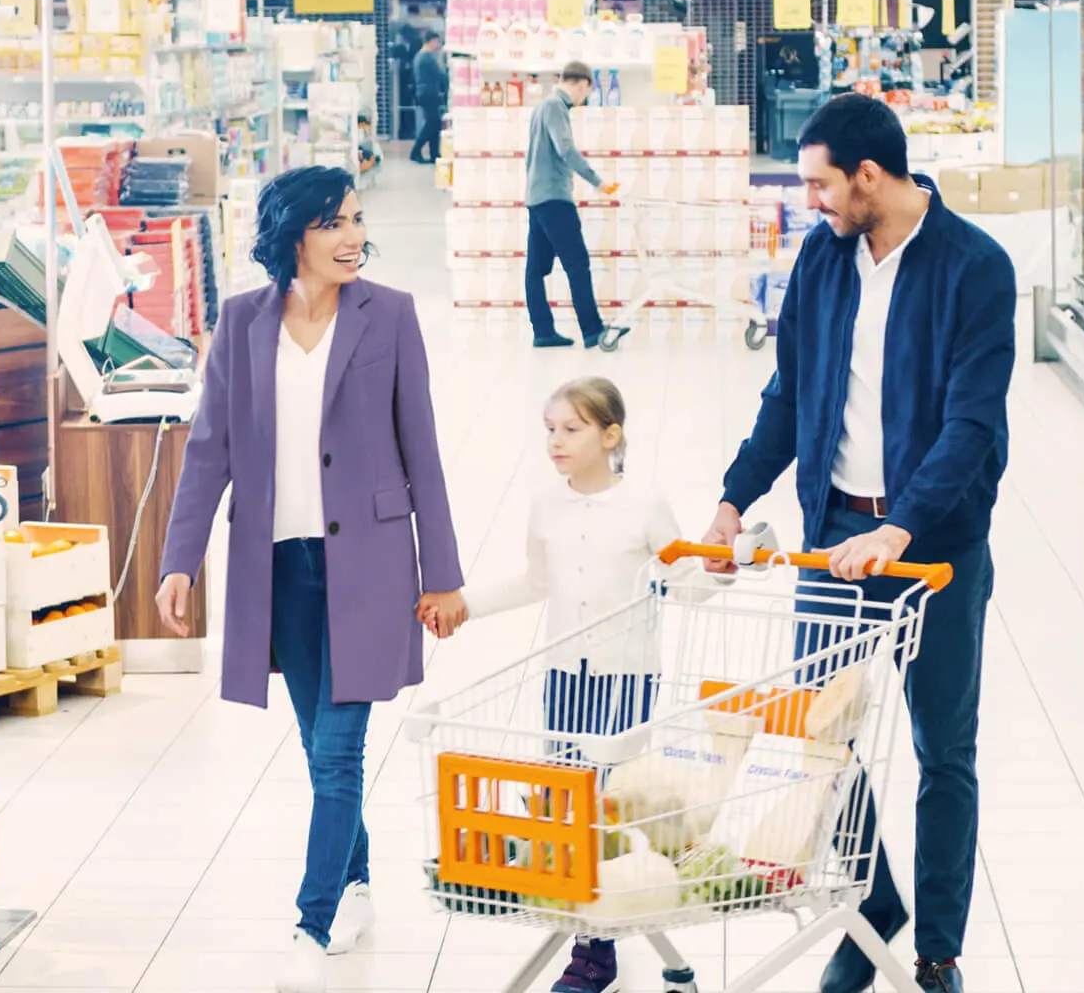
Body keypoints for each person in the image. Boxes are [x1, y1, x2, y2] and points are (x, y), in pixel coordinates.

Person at [703, 92, 1012, 993]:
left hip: (934, 543)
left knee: (943, 749)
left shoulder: (975, 267)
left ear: (869, 177)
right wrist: (731, 501)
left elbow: (971, 423)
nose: (812, 202)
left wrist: (901, 524)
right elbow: (788, 394)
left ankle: (938, 950)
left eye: (820, 184)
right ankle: (874, 898)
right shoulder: (824, 258)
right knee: (818, 736)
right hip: (835, 530)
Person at [151, 166, 468, 993]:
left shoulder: (390, 316)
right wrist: (179, 559)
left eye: (359, 221)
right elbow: (209, 450)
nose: (355, 237)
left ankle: (312, 919)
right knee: (318, 748)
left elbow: (422, 451)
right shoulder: (242, 323)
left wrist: (444, 574)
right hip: (278, 566)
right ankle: (359, 883)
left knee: (337, 752)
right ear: (295, 235)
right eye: (336, 224)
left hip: (368, 561)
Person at [456, 376, 698, 993]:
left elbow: (685, 579)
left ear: (610, 435)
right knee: (569, 809)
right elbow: (536, 582)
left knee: (605, 810)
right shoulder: (546, 504)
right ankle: (601, 938)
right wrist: (464, 604)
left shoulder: (645, 505)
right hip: (565, 679)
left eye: (572, 428)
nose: (556, 441)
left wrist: (720, 567)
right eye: (550, 429)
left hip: (626, 682)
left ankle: (595, 953)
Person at [526, 61, 621, 349]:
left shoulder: (542, 107)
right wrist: (598, 181)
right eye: (585, 93)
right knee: (577, 263)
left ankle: (543, 331)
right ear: (581, 84)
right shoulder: (556, 106)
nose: (582, 101)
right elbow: (565, 149)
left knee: (536, 269)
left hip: (537, 196)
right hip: (554, 198)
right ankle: (593, 331)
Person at [410, 35, 449, 164]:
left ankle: (434, 154)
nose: (438, 45)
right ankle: (416, 151)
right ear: (432, 41)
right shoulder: (427, 58)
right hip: (430, 94)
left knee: (434, 123)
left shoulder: (419, 56)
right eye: (437, 42)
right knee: (432, 123)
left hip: (423, 93)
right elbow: (440, 75)